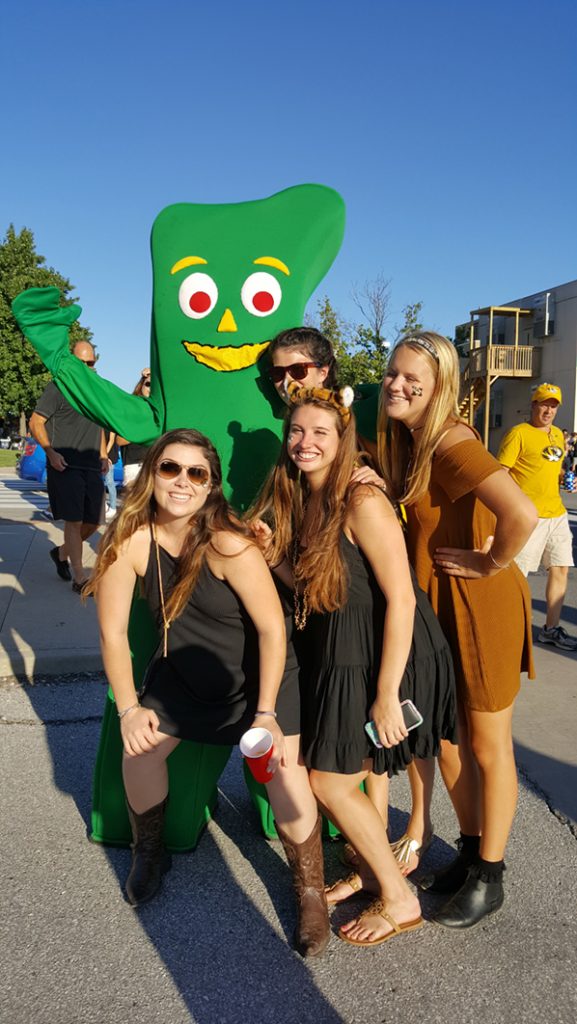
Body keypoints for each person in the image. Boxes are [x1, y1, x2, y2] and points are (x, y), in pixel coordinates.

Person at [85, 428, 329, 958]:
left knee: (284, 773)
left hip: (260, 678)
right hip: (186, 677)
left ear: (211, 485)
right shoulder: (130, 540)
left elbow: (272, 630)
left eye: (197, 473)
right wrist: (128, 709)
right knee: (140, 752)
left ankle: (311, 891)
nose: (181, 482)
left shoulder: (227, 541)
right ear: (152, 474)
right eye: (170, 468)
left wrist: (266, 714)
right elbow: (112, 634)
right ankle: (150, 851)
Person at [251, 385, 456, 947]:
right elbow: (325, 588)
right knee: (343, 777)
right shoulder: (306, 496)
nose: (305, 442)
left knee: (331, 782)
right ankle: (372, 869)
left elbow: (403, 599)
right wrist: (276, 560)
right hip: (347, 652)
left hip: (388, 654)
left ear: (343, 441)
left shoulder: (362, 500)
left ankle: (399, 898)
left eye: (320, 432)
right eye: (297, 430)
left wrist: (387, 692)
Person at [377, 331, 538, 928]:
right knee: (447, 743)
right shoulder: (410, 438)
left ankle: (490, 875)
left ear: (442, 386)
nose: (396, 383)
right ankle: (471, 852)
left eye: (413, 377)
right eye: (393, 373)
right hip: (441, 607)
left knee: (488, 746)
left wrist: (490, 560)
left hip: (480, 606)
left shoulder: (447, 441)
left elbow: (519, 512)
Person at [498, 383, 577, 651]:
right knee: (518, 575)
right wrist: (509, 509)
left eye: (553, 406)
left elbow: (550, 470)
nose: (548, 410)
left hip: (557, 514)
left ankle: (550, 629)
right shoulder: (518, 434)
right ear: (533, 405)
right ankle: (509, 626)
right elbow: (502, 473)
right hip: (529, 516)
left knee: (561, 568)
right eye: (544, 404)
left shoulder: (557, 435)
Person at [29, 341, 108, 592]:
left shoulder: (96, 389)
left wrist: (104, 454)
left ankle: (61, 553)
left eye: (90, 363)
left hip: (93, 465)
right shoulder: (58, 387)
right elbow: (35, 422)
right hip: (65, 465)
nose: (86, 367)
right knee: (73, 522)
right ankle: (79, 577)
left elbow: (101, 424)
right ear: (71, 361)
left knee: (94, 522)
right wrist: (50, 452)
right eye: (80, 362)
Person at [117, 368, 152, 485]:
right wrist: (144, 430)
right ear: (141, 385)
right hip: (135, 466)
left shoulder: (160, 411)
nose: (151, 389)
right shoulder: (131, 409)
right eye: (148, 384)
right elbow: (120, 440)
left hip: (155, 466)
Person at [104, 430, 119, 521]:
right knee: (99, 481)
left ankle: (113, 507)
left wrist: (104, 455)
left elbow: (111, 440)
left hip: (109, 456)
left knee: (109, 482)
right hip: (101, 455)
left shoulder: (110, 425)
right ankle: (104, 505)